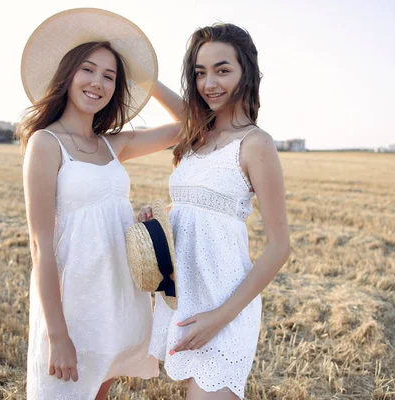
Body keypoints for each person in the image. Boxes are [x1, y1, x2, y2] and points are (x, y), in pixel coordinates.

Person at [17, 9, 182, 400]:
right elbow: (40, 244)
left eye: (109, 76)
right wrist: (57, 335)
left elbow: (191, 122)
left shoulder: (114, 144)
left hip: (118, 295)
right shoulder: (45, 143)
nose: (98, 82)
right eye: (88, 70)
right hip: (73, 302)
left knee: (98, 391)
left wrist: (145, 76)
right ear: (68, 74)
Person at [142, 23, 290, 399]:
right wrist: (158, 219)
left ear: (246, 73)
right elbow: (194, 211)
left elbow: (279, 247)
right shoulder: (197, 133)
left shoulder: (256, 144)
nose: (210, 83)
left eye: (223, 70)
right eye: (200, 72)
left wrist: (220, 318)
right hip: (184, 298)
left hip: (225, 308)